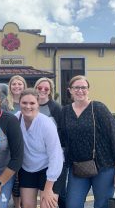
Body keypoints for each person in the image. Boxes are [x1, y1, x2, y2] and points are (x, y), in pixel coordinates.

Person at [62, 75, 115, 208]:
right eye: (76, 87)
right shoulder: (65, 111)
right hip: (78, 167)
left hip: (104, 166)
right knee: (72, 204)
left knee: (102, 205)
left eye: (83, 87)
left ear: (88, 90)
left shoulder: (98, 108)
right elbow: (62, 140)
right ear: (70, 90)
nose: (80, 90)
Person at [16, 88, 64, 208]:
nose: (28, 106)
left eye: (32, 103)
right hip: (27, 168)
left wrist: (48, 189)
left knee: (47, 205)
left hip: (49, 168)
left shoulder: (46, 124)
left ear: (38, 104)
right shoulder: (16, 119)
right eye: (24, 103)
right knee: (27, 206)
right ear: (19, 103)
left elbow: (56, 156)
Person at [34, 78, 66, 208]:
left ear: (50, 91)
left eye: (46, 89)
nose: (42, 91)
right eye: (39, 88)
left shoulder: (56, 108)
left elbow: (62, 131)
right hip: (34, 158)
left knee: (49, 201)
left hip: (52, 157)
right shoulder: (30, 104)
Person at [7, 75, 27, 208]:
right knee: (13, 176)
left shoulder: (27, 101)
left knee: (24, 176)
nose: (17, 86)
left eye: (20, 84)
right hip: (9, 144)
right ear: (10, 86)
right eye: (14, 84)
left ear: (24, 86)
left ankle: (23, 202)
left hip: (27, 143)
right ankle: (16, 204)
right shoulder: (5, 103)